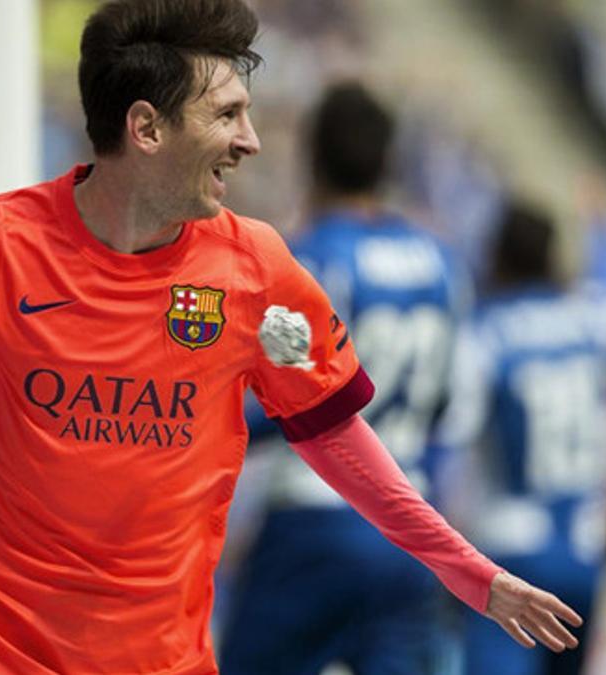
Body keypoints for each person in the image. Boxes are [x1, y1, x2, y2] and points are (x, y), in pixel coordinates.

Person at [0, 1, 582, 672]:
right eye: (230, 114)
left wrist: (473, 574)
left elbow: (337, 439)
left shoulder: (257, 269)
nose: (252, 140)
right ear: (147, 129)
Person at [218, 81, 471, 675]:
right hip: (408, 526)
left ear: (314, 157)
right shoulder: (443, 264)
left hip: (316, 521)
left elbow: (273, 404)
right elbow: (449, 409)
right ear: (388, 161)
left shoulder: (309, 259)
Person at [440, 198, 606, 675]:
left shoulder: (484, 334)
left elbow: (449, 437)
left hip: (515, 551)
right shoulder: (591, 320)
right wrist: (602, 224)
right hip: (587, 549)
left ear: (497, 256)